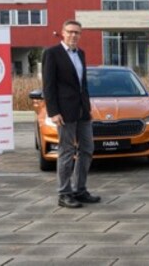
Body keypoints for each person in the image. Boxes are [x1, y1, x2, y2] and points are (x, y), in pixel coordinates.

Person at [42, 19, 100, 208]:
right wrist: (53, 111)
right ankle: (64, 193)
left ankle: (80, 189)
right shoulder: (52, 53)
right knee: (66, 151)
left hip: (83, 111)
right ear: (63, 32)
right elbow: (48, 86)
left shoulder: (80, 54)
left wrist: (88, 108)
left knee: (87, 149)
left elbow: (82, 85)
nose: (74, 35)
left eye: (77, 32)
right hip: (64, 112)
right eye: (71, 32)